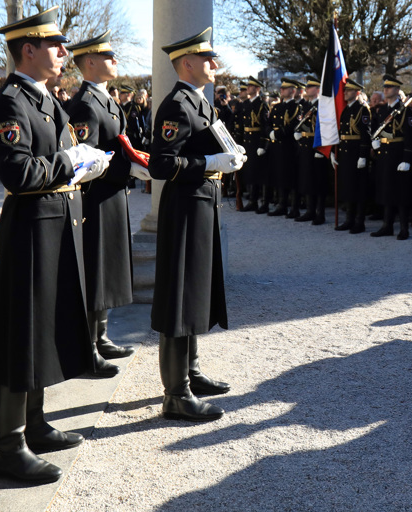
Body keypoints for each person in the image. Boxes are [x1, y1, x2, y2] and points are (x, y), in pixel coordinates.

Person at [0, 7, 113, 482]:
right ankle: (6, 445)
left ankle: (34, 424)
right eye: (55, 45)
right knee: (21, 335)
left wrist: (84, 164)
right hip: (30, 230)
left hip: (56, 225)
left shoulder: (45, 99)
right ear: (28, 49)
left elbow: (58, 159)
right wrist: (70, 161)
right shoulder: (8, 104)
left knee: (43, 328)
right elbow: (18, 173)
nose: (64, 52)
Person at [148, 28, 245, 422]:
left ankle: (190, 371)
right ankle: (176, 394)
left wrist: (229, 156)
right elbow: (161, 164)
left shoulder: (200, 103)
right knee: (179, 296)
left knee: (195, 292)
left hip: (203, 206)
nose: (214, 65)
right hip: (185, 208)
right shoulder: (177, 106)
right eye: (207, 59)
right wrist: (207, 165)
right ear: (186, 63)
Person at [65, 31, 151, 374]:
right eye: (107, 56)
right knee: (94, 269)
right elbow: (88, 158)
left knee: (107, 267)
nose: (115, 60)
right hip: (95, 198)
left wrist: (132, 163)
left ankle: (100, 336)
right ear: (89, 62)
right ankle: (86, 347)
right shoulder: (84, 104)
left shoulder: (107, 100)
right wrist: (128, 167)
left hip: (112, 195)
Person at [370, 75, 412, 240]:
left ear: (397, 90)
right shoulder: (382, 110)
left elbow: (410, 136)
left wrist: (407, 159)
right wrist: (375, 143)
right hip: (384, 154)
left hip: (398, 154)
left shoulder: (406, 110)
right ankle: (386, 225)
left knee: (401, 192)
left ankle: (404, 228)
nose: (386, 89)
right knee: (386, 190)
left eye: (389, 87)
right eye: (385, 87)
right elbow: (375, 129)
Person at [334, 79, 372, 233]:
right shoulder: (347, 110)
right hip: (345, 153)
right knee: (348, 187)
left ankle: (359, 221)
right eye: (345, 90)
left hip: (356, 153)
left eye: (349, 91)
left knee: (358, 188)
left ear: (357, 93)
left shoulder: (363, 110)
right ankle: (349, 219)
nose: (345, 93)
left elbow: (365, 134)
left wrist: (363, 155)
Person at [294, 76, 329, 225]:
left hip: (317, 147)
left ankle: (320, 214)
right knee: (308, 180)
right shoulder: (306, 106)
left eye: (310, 87)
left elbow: (326, 129)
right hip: (306, 146)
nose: (307, 89)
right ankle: (310, 211)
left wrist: (321, 150)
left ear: (318, 90)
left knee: (318, 181)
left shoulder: (323, 106)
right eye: (307, 87)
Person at [268, 78, 301, 217]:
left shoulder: (296, 107)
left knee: (291, 176)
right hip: (277, 146)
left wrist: (277, 133)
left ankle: (294, 207)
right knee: (279, 175)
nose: (281, 90)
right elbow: (269, 123)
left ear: (292, 91)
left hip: (289, 146)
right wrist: (269, 132)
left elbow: (293, 125)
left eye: (284, 89)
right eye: (281, 88)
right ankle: (282, 204)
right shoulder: (276, 107)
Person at [240, 77, 271, 213]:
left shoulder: (261, 104)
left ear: (257, 89)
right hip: (247, 141)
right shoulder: (246, 104)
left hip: (257, 141)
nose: (248, 88)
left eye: (251, 86)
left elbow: (265, 125)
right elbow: (242, 126)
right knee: (249, 172)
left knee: (259, 173)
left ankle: (263, 202)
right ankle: (252, 201)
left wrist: (263, 144)